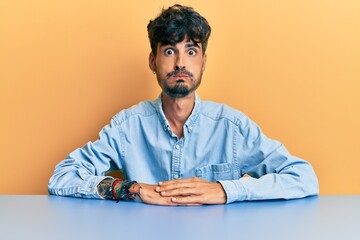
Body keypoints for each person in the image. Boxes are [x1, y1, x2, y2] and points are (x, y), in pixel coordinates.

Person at [48, 4, 319, 205]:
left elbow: (303, 177)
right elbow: (61, 177)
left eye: (191, 51)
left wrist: (226, 190)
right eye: (169, 51)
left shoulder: (232, 127)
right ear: (153, 62)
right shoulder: (127, 127)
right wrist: (132, 189)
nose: (180, 62)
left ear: (203, 62)